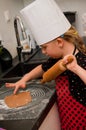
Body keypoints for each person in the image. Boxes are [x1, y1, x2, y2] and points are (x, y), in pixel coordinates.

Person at [5, 0, 86, 129]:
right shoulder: (57, 60)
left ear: (59, 42)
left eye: (44, 47)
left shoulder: (81, 59)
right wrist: (24, 78)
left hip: (81, 119)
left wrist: (76, 68)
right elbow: (42, 68)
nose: (43, 52)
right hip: (67, 117)